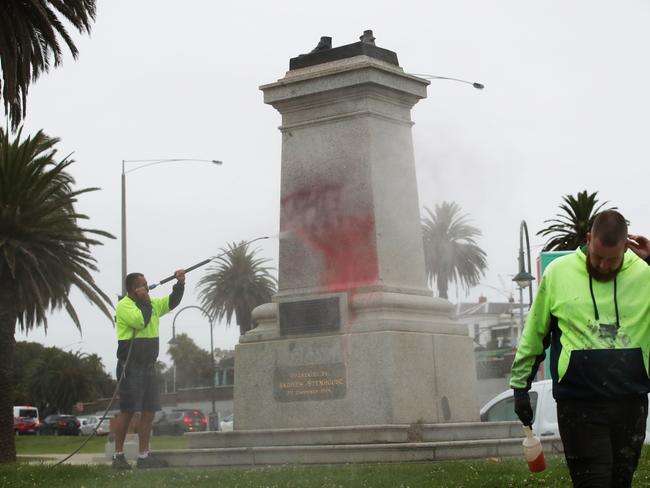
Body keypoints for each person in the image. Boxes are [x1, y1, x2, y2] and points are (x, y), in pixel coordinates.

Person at [511, 210, 650, 487]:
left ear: (625, 246)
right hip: (579, 403)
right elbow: (535, 332)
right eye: (598, 256)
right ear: (588, 238)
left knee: (620, 482)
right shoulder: (558, 273)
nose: (602, 266)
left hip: (630, 402)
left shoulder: (644, 273)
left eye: (612, 260)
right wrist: (520, 387)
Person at [111, 269, 185, 470]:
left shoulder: (151, 304)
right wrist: (144, 302)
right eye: (143, 284)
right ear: (134, 289)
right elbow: (141, 321)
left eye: (147, 283)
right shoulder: (124, 306)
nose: (147, 286)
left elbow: (172, 302)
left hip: (148, 366)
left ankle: (144, 456)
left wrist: (179, 284)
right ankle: (118, 456)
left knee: (149, 410)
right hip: (130, 366)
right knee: (127, 411)